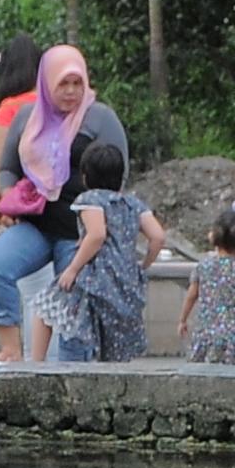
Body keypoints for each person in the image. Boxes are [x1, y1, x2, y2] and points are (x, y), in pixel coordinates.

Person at [0, 46, 127, 367]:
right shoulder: (27, 117)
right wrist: (11, 199)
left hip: (78, 233)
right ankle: (10, 349)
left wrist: (105, 222)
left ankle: (74, 371)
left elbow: (119, 172)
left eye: (77, 83)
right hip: (36, 224)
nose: (72, 92)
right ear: (47, 83)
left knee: (71, 303)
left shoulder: (100, 118)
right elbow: (7, 167)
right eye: (64, 84)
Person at [32, 138, 166, 364]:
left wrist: (73, 269)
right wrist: (143, 266)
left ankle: (35, 365)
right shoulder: (133, 203)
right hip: (125, 281)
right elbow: (158, 237)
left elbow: (96, 235)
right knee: (112, 339)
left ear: (85, 175)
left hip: (95, 276)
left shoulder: (90, 199)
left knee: (45, 306)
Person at [180, 205, 235, 367]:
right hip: (234, 334)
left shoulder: (202, 266)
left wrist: (182, 320)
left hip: (205, 332)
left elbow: (191, 295)